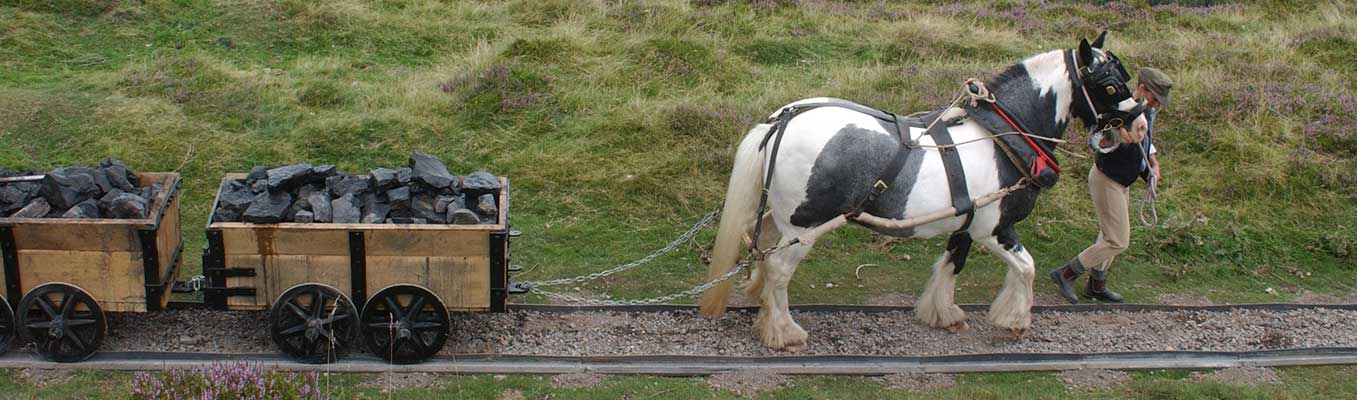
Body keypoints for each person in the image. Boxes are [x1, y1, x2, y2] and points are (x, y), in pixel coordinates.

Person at [1049, 67, 1172, 303]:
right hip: (1107, 180)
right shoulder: (1117, 109)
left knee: (1108, 235)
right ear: (1143, 89)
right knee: (1117, 240)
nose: (1156, 105)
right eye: (1155, 98)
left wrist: (1153, 166)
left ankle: (1096, 285)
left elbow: (1147, 143)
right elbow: (1095, 140)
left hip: (1122, 180)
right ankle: (1066, 273)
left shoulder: (1146, 113)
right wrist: (1117, 137)